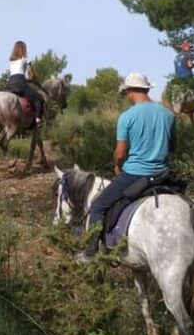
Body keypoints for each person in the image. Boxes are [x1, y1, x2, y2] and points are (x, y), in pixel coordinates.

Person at [75, 73, 176, 264]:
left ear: (129, 91)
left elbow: (120, 153)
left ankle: (90, 253)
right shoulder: (168, 114)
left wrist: (118, 166)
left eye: (125, 94)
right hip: (163, 174)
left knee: (98, 206)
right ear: (146, 89)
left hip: (135, 174)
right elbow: (172, 147)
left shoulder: (127, 117)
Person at [7, 40, 44, 126]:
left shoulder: (11, 61)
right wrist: (35, 80)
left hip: (10, 83)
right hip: (20, 82)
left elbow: (16, 72)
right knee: (38, 98)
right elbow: (30, 75)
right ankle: (38, 119)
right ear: (23, 49)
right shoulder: (25, 60)